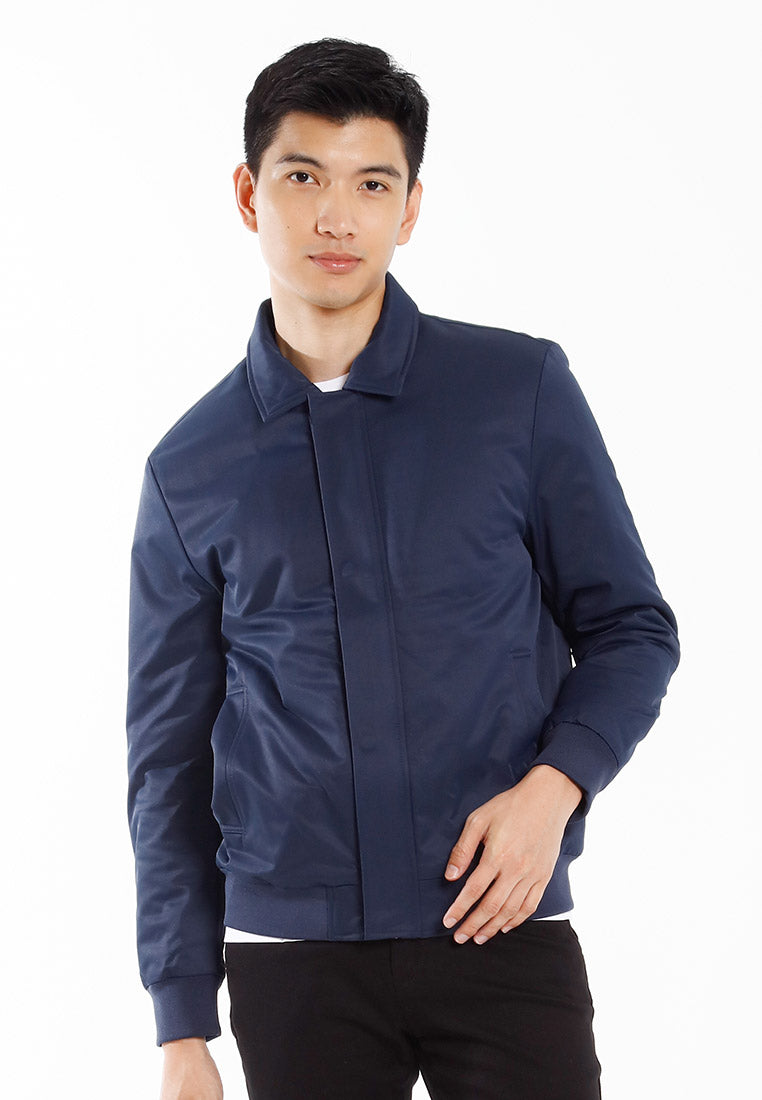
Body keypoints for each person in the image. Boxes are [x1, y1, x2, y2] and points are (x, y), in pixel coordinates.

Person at [126, 37, 680, 1100]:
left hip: (502, 922)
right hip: (296, 965)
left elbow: (631, 628)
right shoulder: (190, 469)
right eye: (304, 177)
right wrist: (181, 1021)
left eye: (372, 183)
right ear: (249, 194)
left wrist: (554, 790)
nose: (338, 216)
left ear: (411, 208)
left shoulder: (517, 391)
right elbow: (167, 761)